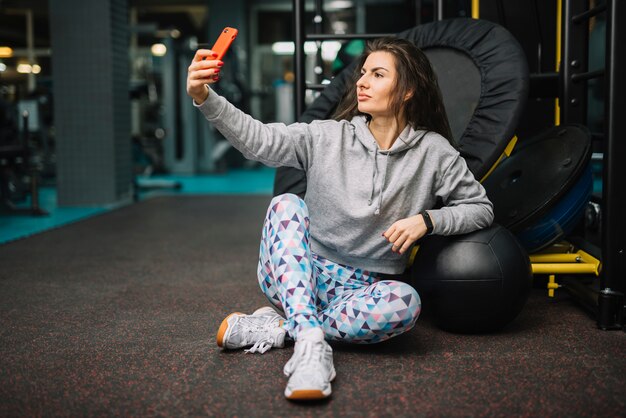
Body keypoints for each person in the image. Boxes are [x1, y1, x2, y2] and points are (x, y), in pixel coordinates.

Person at [186, 37, 494, 401]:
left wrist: (427, 220)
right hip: (296, 274)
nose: (362, 81)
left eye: (377, 74)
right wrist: (206, 97)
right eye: (363, 73)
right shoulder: (327, 134)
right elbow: (261, 141)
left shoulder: (435, 153)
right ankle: (311, 346)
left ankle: (286, 329)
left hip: (358, 291)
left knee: (407, 303)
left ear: (408, 90)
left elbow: (480, 208)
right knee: (286, 204)